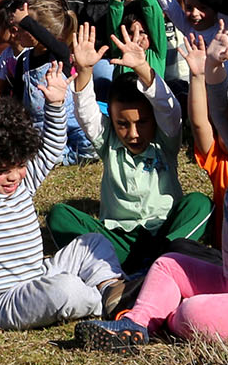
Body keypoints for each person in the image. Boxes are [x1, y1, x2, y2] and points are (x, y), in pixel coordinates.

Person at [77, 6, 228, 349]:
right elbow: (221, 115)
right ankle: (134, 324)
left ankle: (165, 318)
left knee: (189, 314)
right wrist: (213, 68)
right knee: (168, 265)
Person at [0, 69, 126, 331]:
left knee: (92, 242)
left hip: (39, 275)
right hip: (3, 303)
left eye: (19, 165)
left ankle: (112, 286)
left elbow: (53, 147)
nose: (13, 177)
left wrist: (55, 105)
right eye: (1, 171)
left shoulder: (23, 184)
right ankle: (109, 302)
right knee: (65, 289)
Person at [47, 22, 210, 271]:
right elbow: (86, 113)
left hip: (165, 235)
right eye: (122, 124)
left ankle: (163, 263)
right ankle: (124, 267)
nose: (133, 133)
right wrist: (84, 71)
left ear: (153, 120)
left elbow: (169, 109)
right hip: (118, 240)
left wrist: (143, 68)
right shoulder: (108, 141)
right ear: (111, 121)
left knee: (200, 203)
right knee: (59, 215)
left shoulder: (164, 139)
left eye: (141, 122)